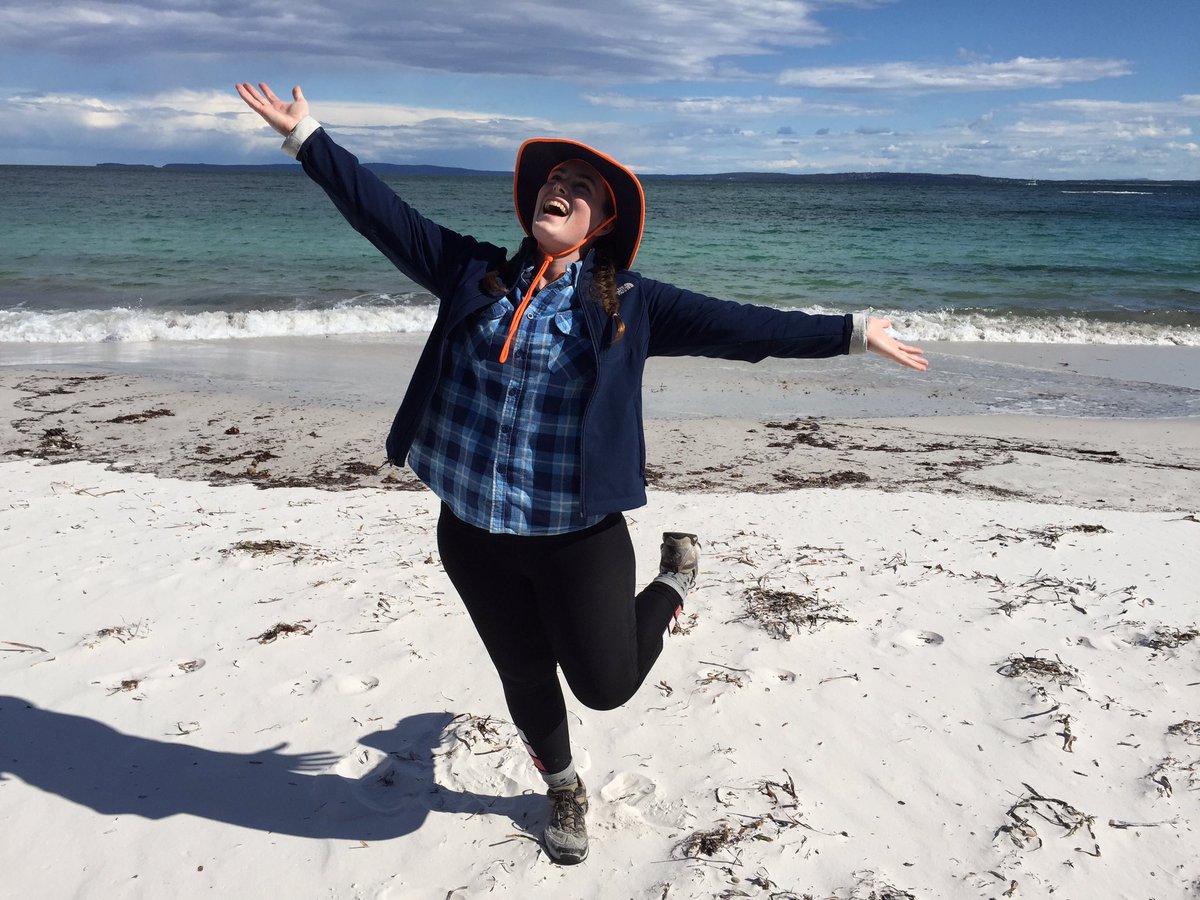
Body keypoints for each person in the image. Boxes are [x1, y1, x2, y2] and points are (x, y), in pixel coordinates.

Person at [235, 82, 928, 865]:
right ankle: (562, 786)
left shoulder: (632, 303)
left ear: (602, 225)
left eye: (582, 189)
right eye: (554, 179)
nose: (560, 188)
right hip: (472, 533)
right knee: (525, 675)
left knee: (605, 686)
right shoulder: (471, 273)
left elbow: (745, 329)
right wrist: (308, 138)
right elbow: (379, 213)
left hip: (577, 537)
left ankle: (672, 583)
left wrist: (853, 332)